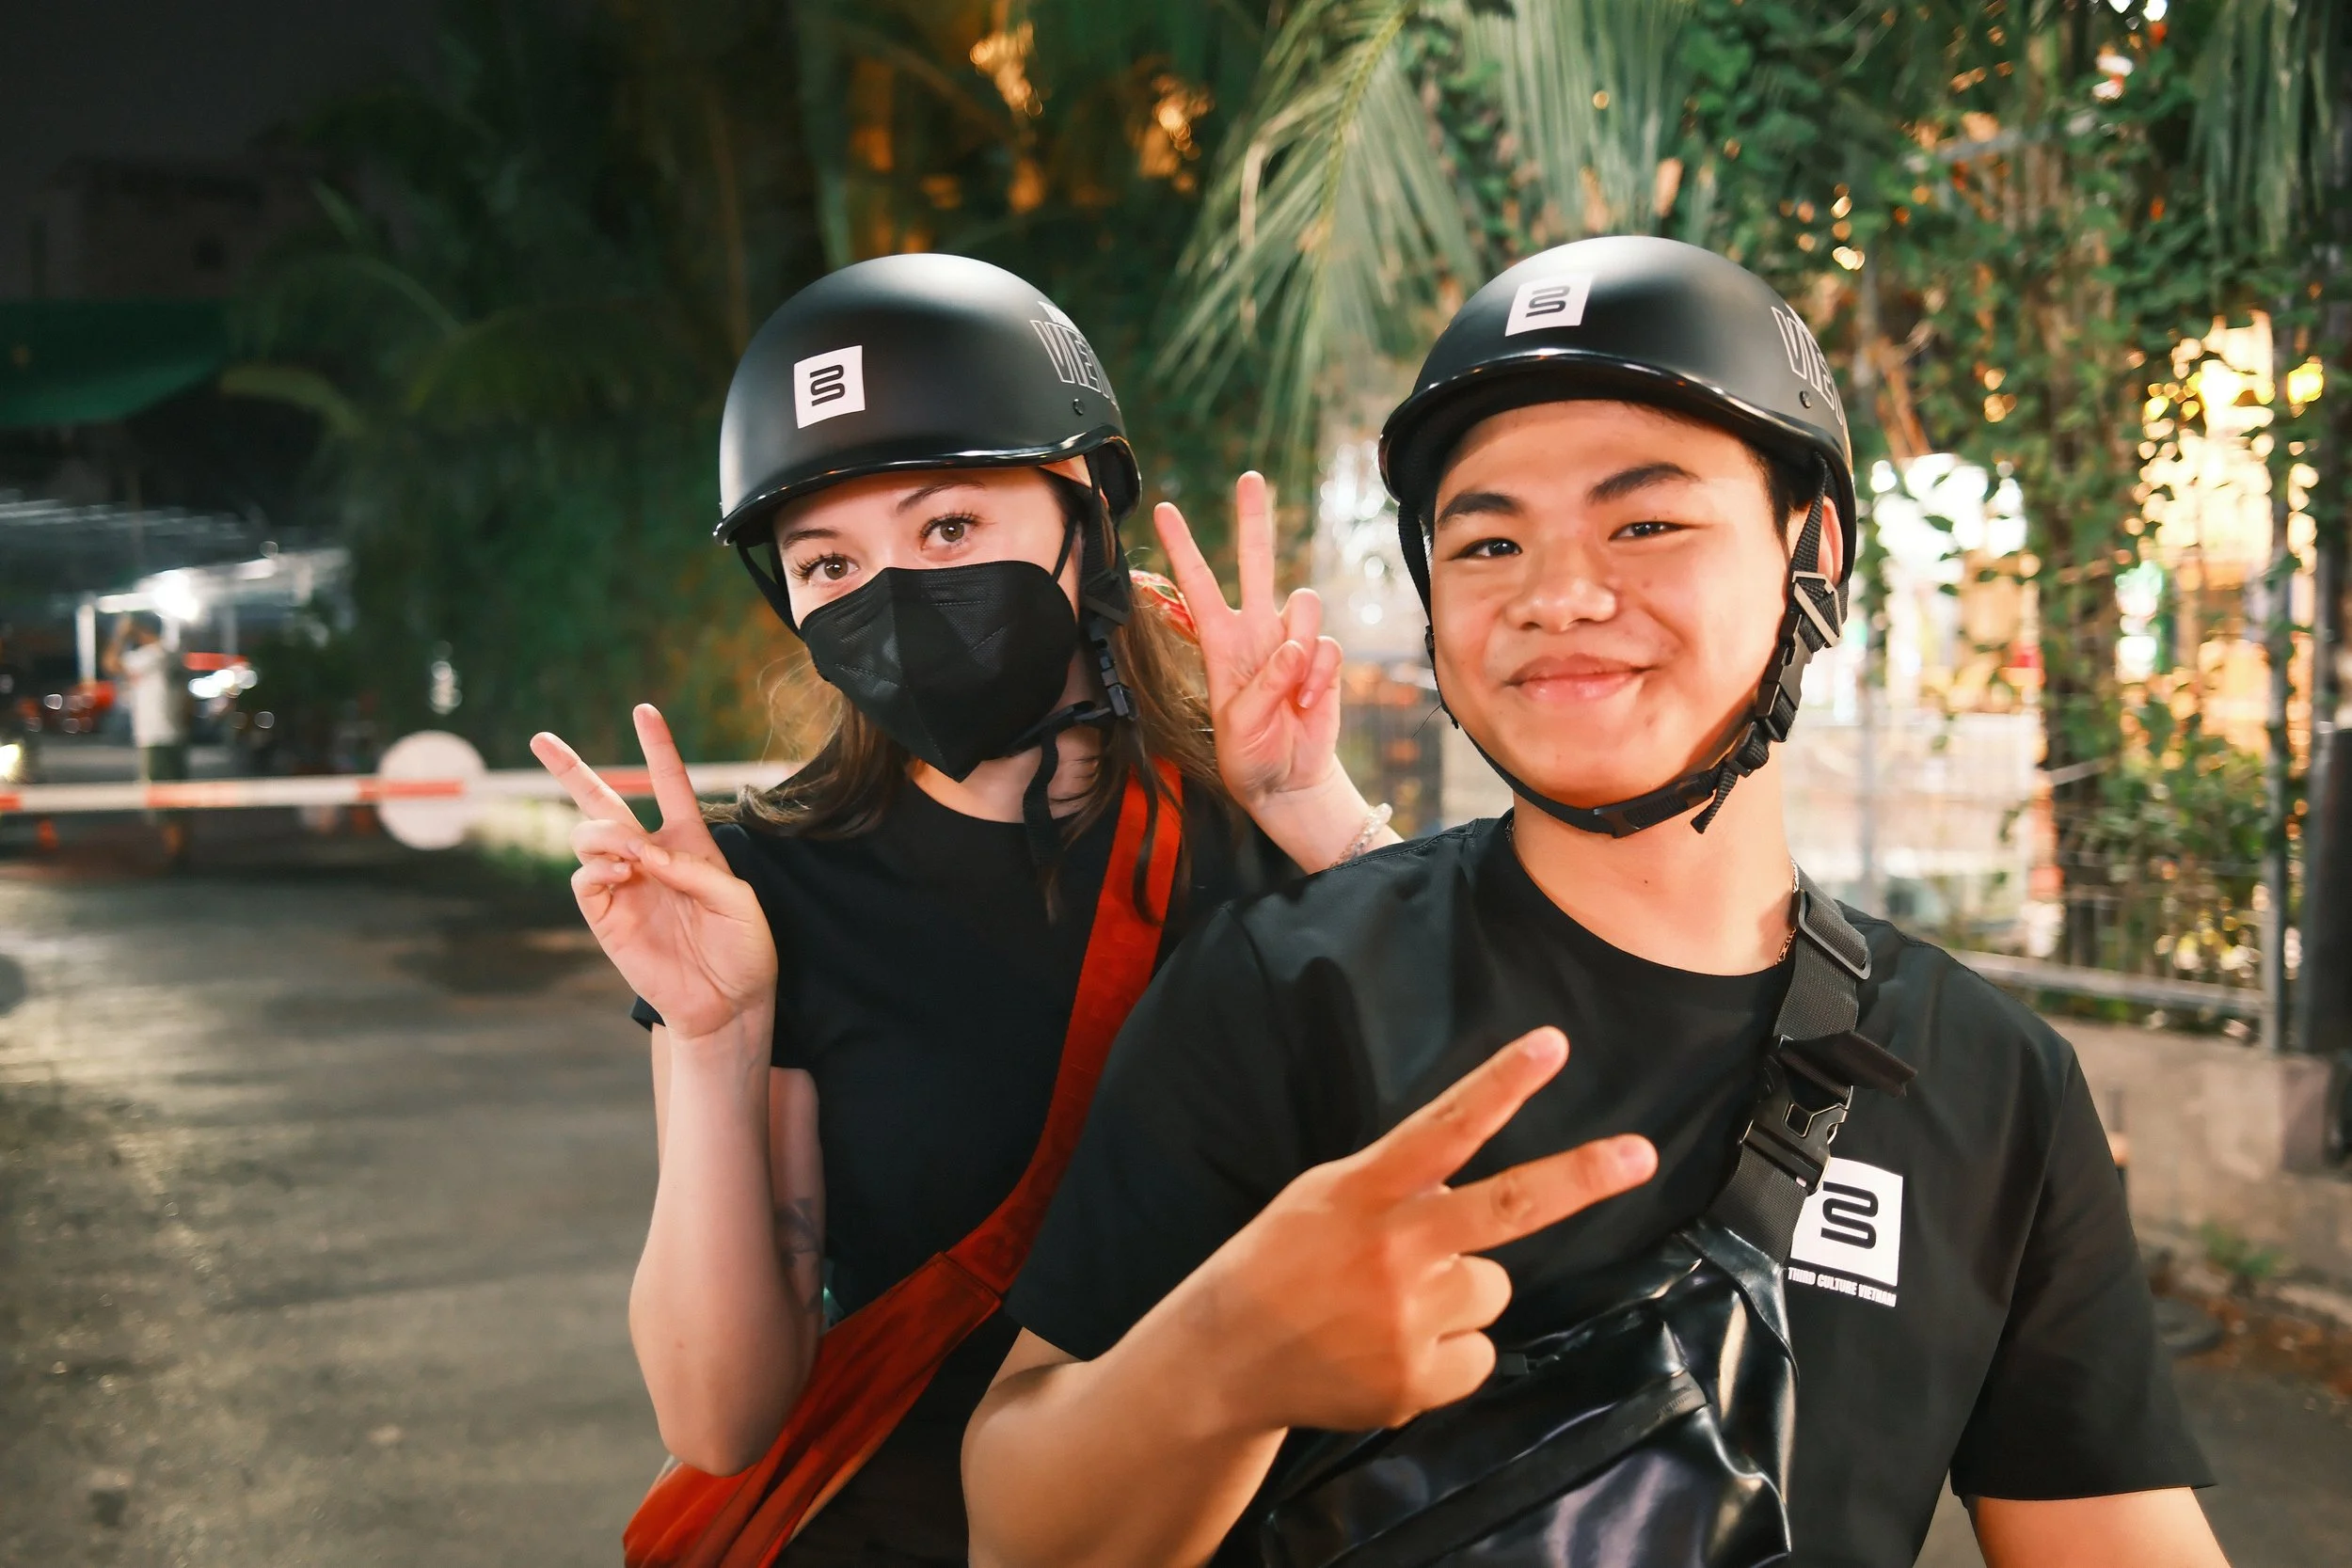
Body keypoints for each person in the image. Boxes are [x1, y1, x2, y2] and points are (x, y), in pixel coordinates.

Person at [963, 237, 2227, 1568]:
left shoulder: (1989, 1077)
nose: (1559, 594)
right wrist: (1220, 1360)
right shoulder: (1291, 989)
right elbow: (1018, 1528)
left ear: (1817, 547)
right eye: (1490, 538)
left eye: (1647, 520)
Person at [529, 253, 1398, 1566]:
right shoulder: (767, 895)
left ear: (1085, 517)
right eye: (827, 560)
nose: (890, 591)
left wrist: (1319, 808)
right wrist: (716, 1034)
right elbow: (717, 1415)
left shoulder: (1266, 833)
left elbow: (1498, 1130)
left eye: (948, 529)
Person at [105, 614, 190, 863]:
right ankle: (180, 849)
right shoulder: (172, 654)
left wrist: (120, 634)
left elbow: (110, 663)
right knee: (178, 795)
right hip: (175, 734)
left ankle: (176, 854)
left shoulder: (149, 657)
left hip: (156, 735)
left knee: (163, 798)